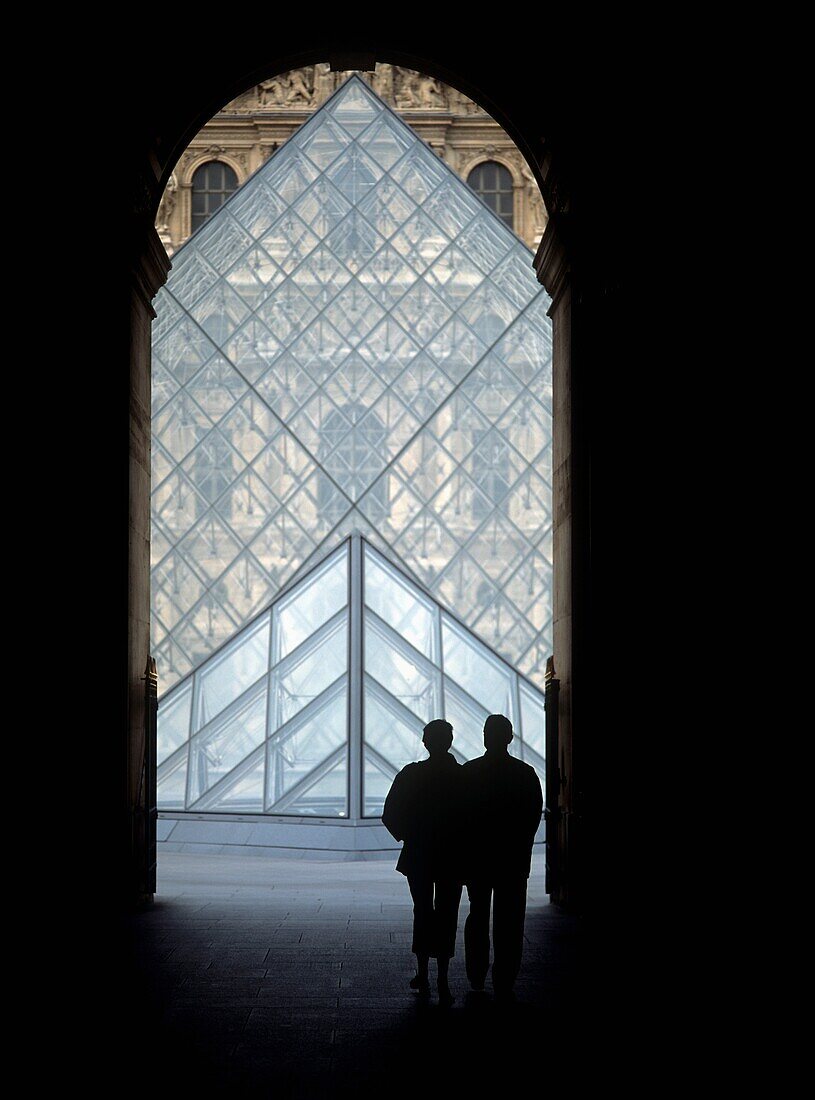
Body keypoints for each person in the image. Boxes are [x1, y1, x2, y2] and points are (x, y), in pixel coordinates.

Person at [382, 719, 463, 1006]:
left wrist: (409, 837)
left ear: (425, 742)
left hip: (418, 855)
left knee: (423, 912)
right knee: (447, 914)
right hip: (453, 856)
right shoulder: (463, 777)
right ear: (450, 742)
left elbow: (390, 813)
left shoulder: (411, 774)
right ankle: (443, 977)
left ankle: (424, 973)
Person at [461, 714, 543, 1000]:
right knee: (510, 919)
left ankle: (476, 973)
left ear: (486, 737)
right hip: (513, 860)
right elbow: (531, 818)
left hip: (478, 859)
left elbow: (460, 818)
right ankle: (505, 977)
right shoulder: (525, 773)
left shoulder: (469, 773)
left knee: (478, 916)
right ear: (510, 737)